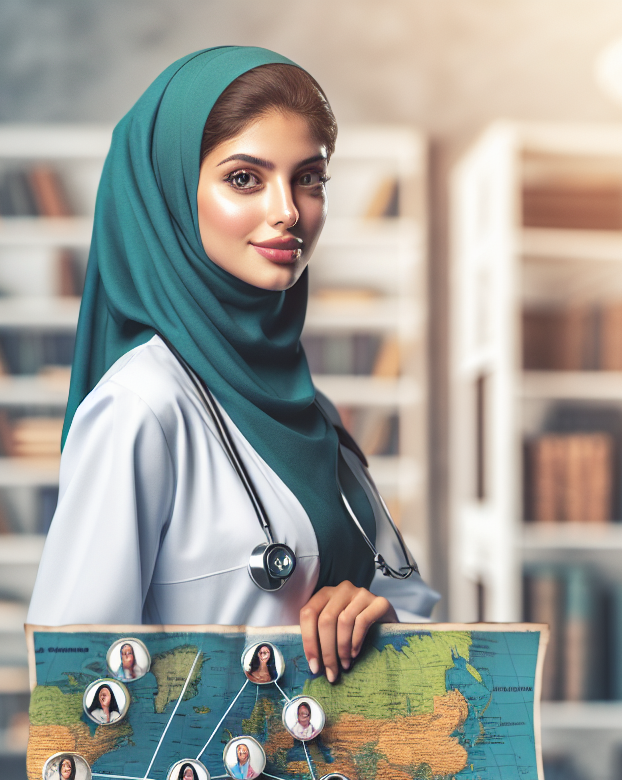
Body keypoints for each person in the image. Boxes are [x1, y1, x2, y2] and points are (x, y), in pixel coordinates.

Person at [25, 47, 439, 684]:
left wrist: (378, 622)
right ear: (169, 195)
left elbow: (410, 602)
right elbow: (75, 683)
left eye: (310, 178)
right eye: (245, 178)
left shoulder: (309, 408)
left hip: (340, 779)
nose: (289, 211)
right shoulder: (142, 406)